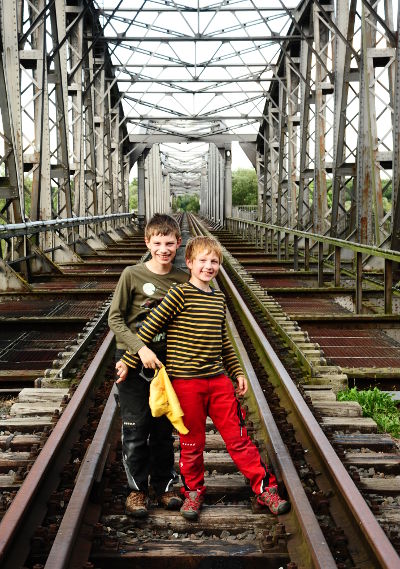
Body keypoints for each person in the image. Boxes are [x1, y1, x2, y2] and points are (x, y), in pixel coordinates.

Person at [116, 235, 291, 520]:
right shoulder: (179, 294)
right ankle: (193, 492)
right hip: (186, 383)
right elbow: (150, 326)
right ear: (189, 263)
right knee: (191, 443)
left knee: (239, 439)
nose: (208, 267)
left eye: (214, 262)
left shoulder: (219, 299)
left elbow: (224, 341)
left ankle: (265, 490)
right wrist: (128, 359)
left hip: (217, 381)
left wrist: (235, 372)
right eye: (203, 261)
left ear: (219, 265)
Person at [108, 213, 188, 517]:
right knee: (135, 426)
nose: (163, 249)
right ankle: (137, 491)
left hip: (168, 363)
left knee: (163, 426)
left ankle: (166, 487)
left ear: (178, 244)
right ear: (148, 242)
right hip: (131, 360)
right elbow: (115, 318)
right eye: (158, 243)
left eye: (169, 243)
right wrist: (139, 350)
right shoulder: (132, 274)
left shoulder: (183, 279)